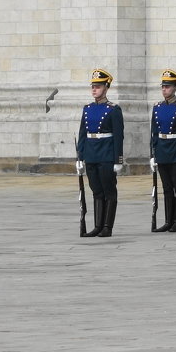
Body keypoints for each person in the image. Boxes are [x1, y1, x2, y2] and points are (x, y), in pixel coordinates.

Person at [76, 68, 125, 238]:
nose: (94, 89)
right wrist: (80, 157)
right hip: (91, 154)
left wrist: (118, 160)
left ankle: (107, 226)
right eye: (93, 86)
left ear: (106, 87)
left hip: (106, 155)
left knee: (108, 191)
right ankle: (97, 225)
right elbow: (82, 134)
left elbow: (119, 137)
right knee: (96, 190)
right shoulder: (87, 109)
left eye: (98, 86)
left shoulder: (113, 110)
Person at [149, 69, 176, 233]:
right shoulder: (157, 107)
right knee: (166, 187)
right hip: (162, 151)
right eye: (163, 86)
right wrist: (152, 154)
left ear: (175, 87)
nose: (164, 89)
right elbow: (154, 132)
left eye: (168, 86)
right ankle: (167, 220)